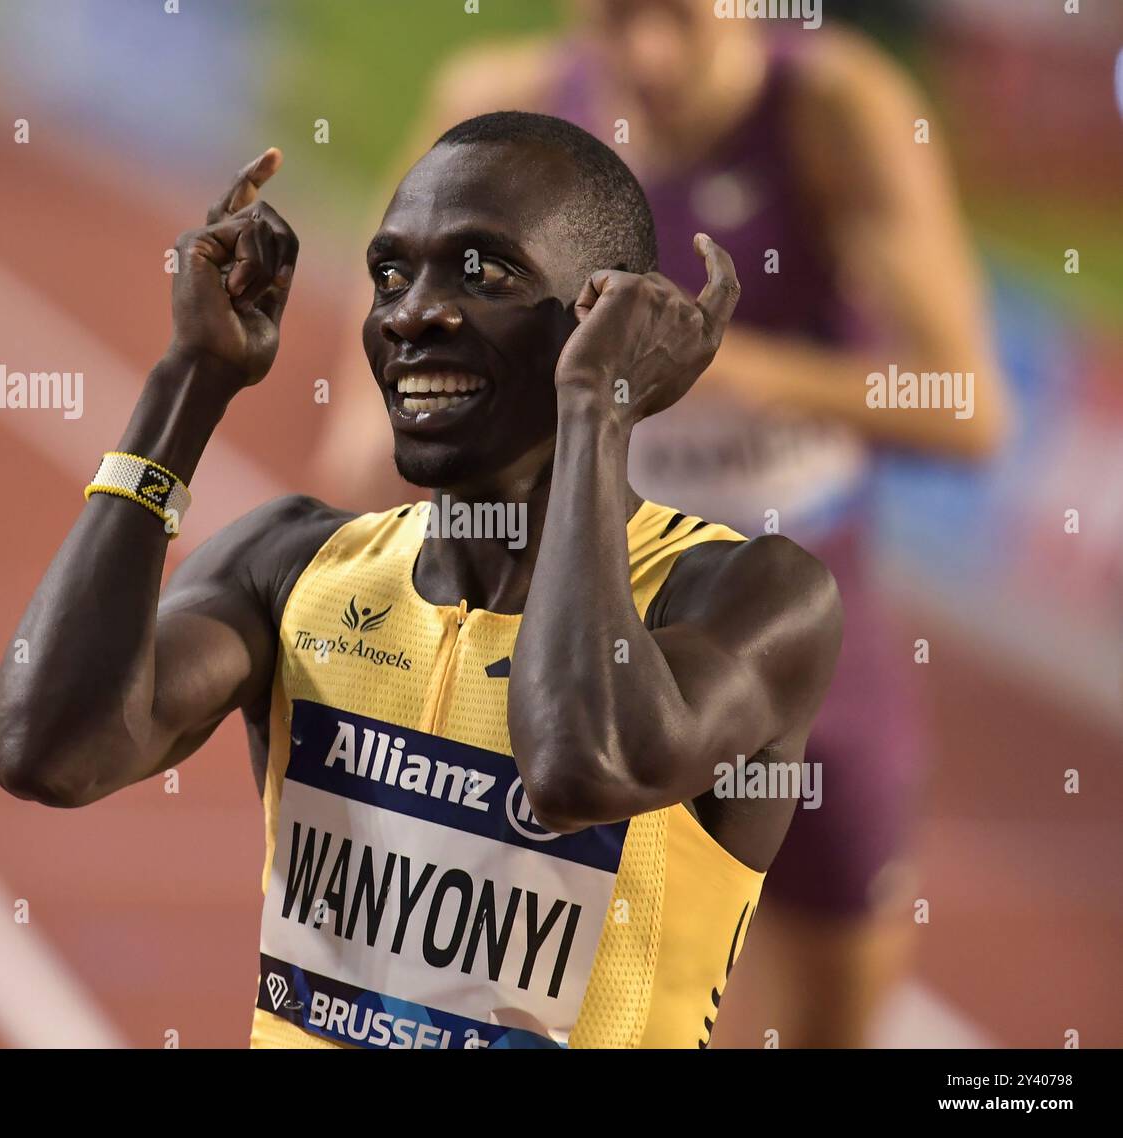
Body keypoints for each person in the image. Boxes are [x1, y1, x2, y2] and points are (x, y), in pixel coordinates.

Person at [0, 112, 842, 1050]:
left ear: (608, 316)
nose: (411, 312)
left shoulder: (751, 597)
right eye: (390, 275)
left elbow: (578, 766)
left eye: (483, 272)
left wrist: (601, 405)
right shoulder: (293, 565)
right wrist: (189, 380)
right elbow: (47, 749)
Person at [308, 0, 1012, 1047]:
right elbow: (372, 393)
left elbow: (969, 408)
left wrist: (717, 364)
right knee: (514, 1011)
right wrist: (388, 434)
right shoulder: (505, 103)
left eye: (675, 16)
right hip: (566, 616)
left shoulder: (833, 108)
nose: (642, 53)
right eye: (612, 17)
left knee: (831, 1020)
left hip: (790, 625)